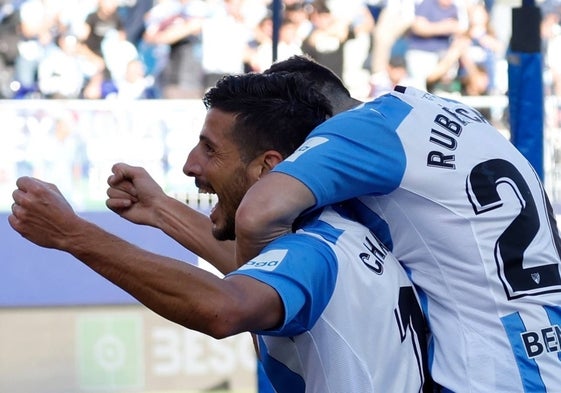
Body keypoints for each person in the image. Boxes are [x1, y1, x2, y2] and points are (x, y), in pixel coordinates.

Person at [9, 71, 431, 393]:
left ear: (268, 167)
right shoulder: (338, 233)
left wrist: (74, 234)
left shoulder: (313, 253)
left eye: (210, 149)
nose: (190, 165)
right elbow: (253, 271)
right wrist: (160, 209)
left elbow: (223, 307)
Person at [232, 55, 561, 393]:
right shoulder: (446, 112)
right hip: (546, 350)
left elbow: (258, 214)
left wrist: (265, 314)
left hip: (493, 373)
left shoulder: (360, 129)